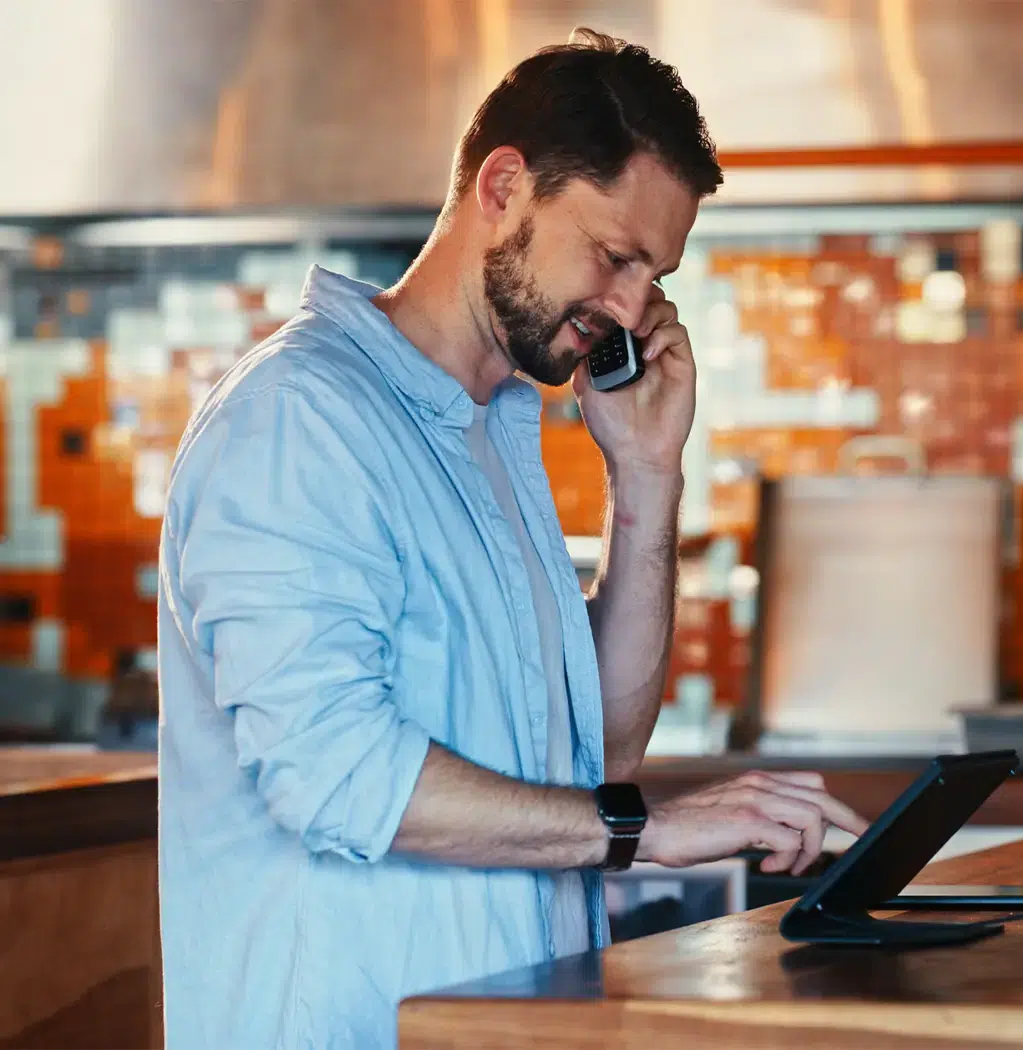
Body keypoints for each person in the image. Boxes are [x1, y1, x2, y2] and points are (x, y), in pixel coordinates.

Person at [156, 28, 868, 1049]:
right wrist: (650, 832)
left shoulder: (487, 431)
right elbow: (336, 775)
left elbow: (599, 756)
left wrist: (648, 479)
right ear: (502, 188)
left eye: (655, 273)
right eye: (615, 256)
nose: (632, 307)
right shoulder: (302, 417)